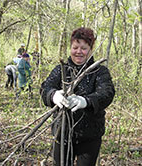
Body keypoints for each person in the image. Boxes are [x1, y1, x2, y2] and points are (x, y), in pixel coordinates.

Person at [40, 27, 115, 166]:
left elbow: (107, 93)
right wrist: (53, 95)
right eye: (75, 47)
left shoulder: (99, 71)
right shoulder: (61, 69)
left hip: (90, 135)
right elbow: (45, 87)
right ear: (70, 48)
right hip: (61, 134)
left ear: (90, 49)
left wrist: (86, 101)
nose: (79, 52)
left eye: (83, 48)